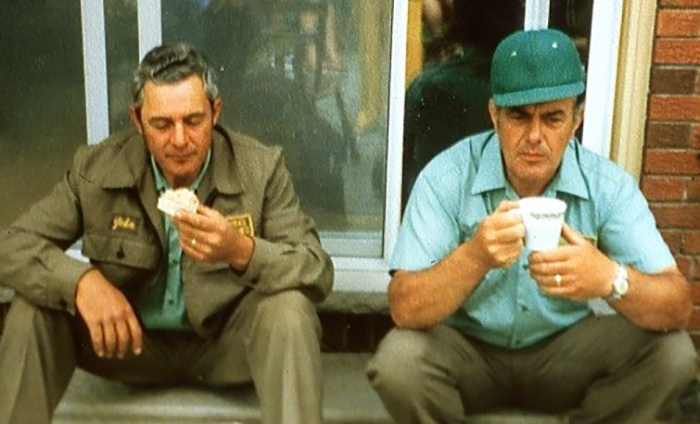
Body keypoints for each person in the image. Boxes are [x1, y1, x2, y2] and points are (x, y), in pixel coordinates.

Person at [367, 29, 696, 424]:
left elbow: (677, 304)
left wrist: (610, 277)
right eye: (519, 116)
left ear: (577, 120)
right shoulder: (447, 176)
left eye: (552, 117)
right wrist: (474, 257)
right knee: (399, 362)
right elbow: (403, 305)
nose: (535, 136)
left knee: (673, 355)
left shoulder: (606, 185)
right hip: (468, 349)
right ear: (494, 115)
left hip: (564, 351)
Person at [0, 43, 333, 424]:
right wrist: (83, 283)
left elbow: (316, 269)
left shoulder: (261, 168)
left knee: (290, 311)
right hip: (127, 344)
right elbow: (11, 245)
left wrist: (241, 250)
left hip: (226, 347)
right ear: (137, 120)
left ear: (216, 112)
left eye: (193, 121)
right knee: (31, 310)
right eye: (162, 124)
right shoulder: (95, 169)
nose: (179, 140)